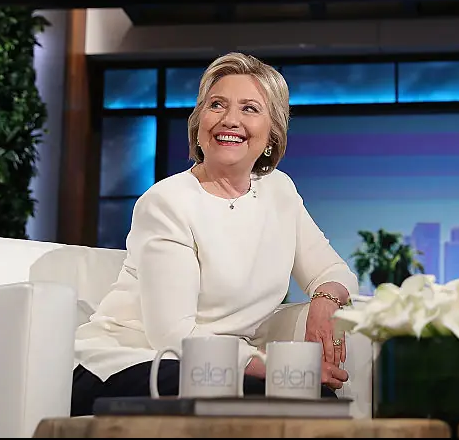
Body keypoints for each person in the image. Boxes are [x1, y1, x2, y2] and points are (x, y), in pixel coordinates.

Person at [71, 52, 359, 416]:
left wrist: (324, 302)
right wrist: (275, 367)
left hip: (218, 367)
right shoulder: (167, 202)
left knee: (316, 399)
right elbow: (172, 336)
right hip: (128, 361)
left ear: (272, 134)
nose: (230, 120)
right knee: (249, 394)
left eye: (250, 109)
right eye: (217, 105)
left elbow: (335, 272)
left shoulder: (279, 191)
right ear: (199, 124)